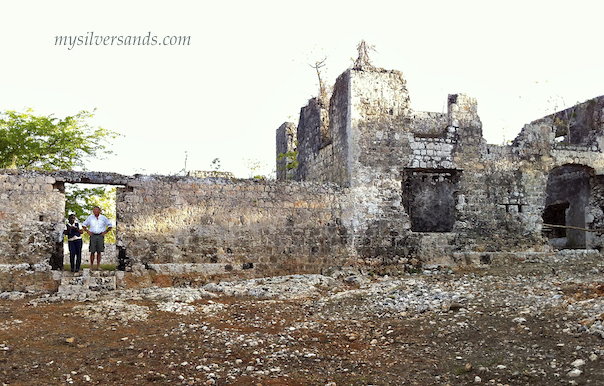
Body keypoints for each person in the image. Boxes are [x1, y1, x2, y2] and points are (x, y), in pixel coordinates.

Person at [82, 206, 113, 271]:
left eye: (96, 210)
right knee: (92, 251)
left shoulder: (103, 218)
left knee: (99, 251)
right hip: (93, 235)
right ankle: (91, 266)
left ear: (99, 211)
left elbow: (110, 225)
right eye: (94, 210)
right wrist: (87, 231)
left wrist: (106, 231)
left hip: (100, 235)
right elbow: (84, 224)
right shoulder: (90, 218)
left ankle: (98, 266)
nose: (95, 211)